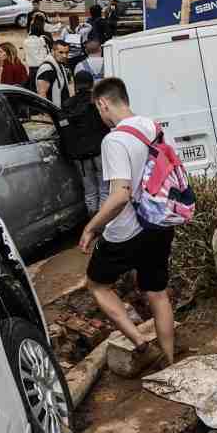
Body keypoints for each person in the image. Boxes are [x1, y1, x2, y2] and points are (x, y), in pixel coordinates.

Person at [80, 78, 177, 367]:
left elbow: (120, 195)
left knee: (97, 284)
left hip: (126, 231)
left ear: (103, 103)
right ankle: (169, 361)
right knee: (157, 293)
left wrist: (92, 227)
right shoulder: (154, 128)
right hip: (159, 224)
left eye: (99, 110)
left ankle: (140, 343)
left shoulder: (114, 140)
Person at [63, 71, 110, 215]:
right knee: (104, 189)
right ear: (92, 84)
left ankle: (93, 222)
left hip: (81, 157)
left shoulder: (67, 105)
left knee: (89, 192)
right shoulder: (98, 102)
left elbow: (65, 131)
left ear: (76, 85)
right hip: (99, 151)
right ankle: (104, 224)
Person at [36, 39, 73, 105]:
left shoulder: (60, 64)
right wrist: (48, 113)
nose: (64, 56)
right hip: (54, 110)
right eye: (60, 52)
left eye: (66, 52)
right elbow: (42, 94)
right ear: (52, 51)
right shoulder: (47, 68)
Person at [24, 16, 51, 85]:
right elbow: (47, 52)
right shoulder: (42, 40)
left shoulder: (25, 41)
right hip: (42, 67)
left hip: (31, 69)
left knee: (33, 87)